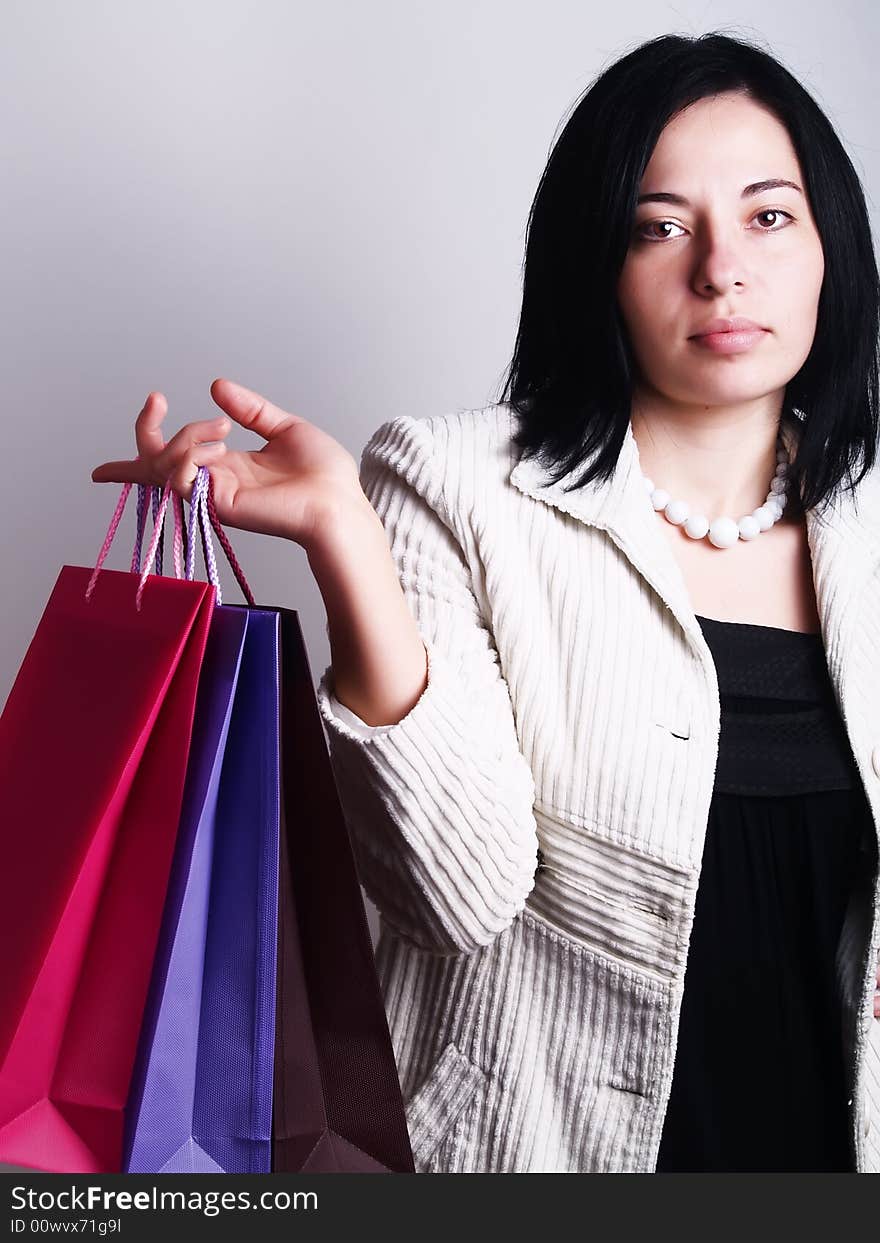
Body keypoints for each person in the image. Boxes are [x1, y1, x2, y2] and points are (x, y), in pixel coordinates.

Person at [91, 30, 880, 1173]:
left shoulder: (866, 527)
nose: (720, 270)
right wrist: (343, 540)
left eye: (768, 217)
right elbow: (457, 897)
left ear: (828, 250)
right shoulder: (455, 483)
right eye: (659, 227)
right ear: (592, 263)